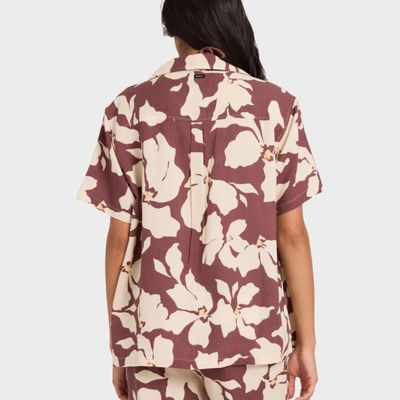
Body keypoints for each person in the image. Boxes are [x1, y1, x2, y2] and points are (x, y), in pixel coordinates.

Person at [76, 0, 323, 399]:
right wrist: (306, 344)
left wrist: (120, 347)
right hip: (253, 338)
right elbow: (292, 236)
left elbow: (119, 240)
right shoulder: (276, 107)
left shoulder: (128, 108)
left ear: (174, 31)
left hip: (154, 339)